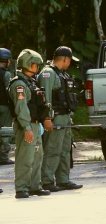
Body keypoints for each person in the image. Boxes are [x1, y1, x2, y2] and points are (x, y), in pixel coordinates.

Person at [38, 46, 82, 192]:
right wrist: (47, 118)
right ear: (64, 59)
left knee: (64, 151)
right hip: (55, 118)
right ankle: (47, 180)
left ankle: (63, 180)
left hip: (64, 118)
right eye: (69, 60)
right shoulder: (48, 74)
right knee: (52, 150)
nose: (70, 63)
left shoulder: (62, 74)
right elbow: (46, 98)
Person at [9, 49, 51, 198]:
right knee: (25, 158)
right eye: (35, 64)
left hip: (35, 125)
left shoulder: (31, 82)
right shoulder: (19, 84)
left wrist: (44, 119)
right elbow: (21, 109)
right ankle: (21, 188)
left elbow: (39, 104)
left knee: (37, 156)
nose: (37, 67)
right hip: (25, 125)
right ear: (28, 64)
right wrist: (27, 128)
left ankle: (34, 186)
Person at [0, 48, 14, 165]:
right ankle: (3, 157)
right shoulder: (7, 74)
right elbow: (10, 92)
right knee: (6, 131)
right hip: (4, 107)